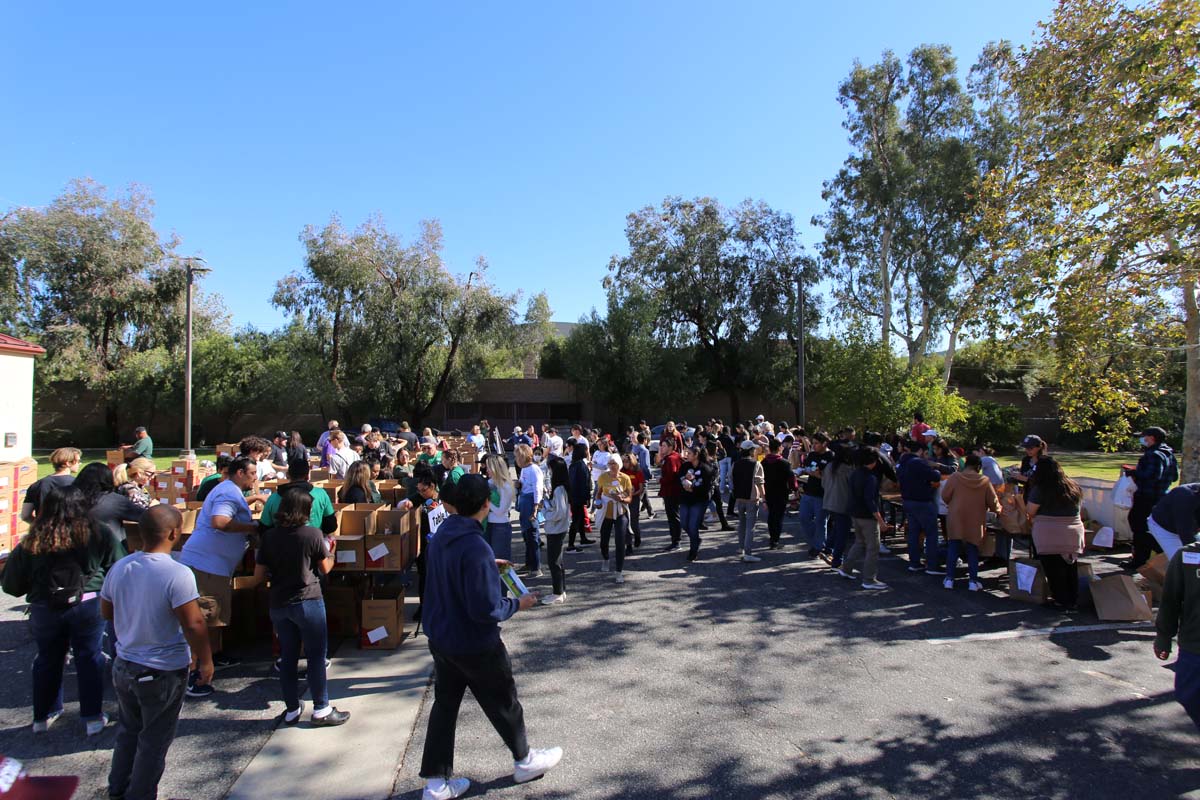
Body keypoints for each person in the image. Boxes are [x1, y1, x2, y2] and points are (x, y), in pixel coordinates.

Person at [417, 475, 561, 800]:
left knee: (445, 707)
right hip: (475, 644)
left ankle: (436, 783)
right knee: (505, 702)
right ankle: (524, 759)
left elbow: (453, 570)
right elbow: (486, 608)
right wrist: (517, 603)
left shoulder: (443, 534)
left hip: (442, 638)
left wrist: (488, 565)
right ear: (486, 504)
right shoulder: (475, 545)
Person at [101, 504, 213, 800]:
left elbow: (106, 610)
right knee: (154, 740)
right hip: (162, 668)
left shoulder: (121, 566)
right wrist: (206, 659)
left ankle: (118, 788)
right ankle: (140, 794)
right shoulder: (177, 573)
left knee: (128, 731)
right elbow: (194, 622)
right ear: (175, 533)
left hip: (125, 663)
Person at [2, 485, 120, 735]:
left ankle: (43, 715)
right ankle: (92, 716)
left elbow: (11, 584)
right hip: (88, 603)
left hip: (45, 606)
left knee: (47, 658)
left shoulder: (33, 540)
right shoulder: (99, 533)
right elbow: (119, 567)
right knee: (90, 657)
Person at [252, 490, 350, 727]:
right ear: (305, 511)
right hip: (308, 600)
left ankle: (291, 708)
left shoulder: (270, 537)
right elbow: (325, 568)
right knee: (316, 655)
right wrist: (333, 552)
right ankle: (321, 708)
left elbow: (258, 575)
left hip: (279, 602)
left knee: (288, 656)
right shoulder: (312, 535)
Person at [178, 456, 260, 695]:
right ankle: (194, 675)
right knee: (203, 616)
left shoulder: (229, 491)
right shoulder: (227, 493)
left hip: (214, 566)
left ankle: (214, 655)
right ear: (240, 473)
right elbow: (220, 521)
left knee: (213, 616)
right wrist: (251, 528)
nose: (256, 478)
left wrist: (253, 499)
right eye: (252, 473)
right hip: (207, 566)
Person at [1025, 458, 1085, 611]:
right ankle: (1073, 599)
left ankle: (1061, 600)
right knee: (1070, 566)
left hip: (1048, 532)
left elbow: (1031, 511)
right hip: (1073, 531)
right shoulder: (1073, 486)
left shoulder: (1041, 489)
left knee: (1053, 569)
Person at [1154, 538, 1200, 731]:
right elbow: (1170, 600)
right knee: (1188, 695)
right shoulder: (1187, 556)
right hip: (1194, 646)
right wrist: (1164, 636)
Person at [941, 454, 1002, 591]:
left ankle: (949, 579)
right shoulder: (985, 481)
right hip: (975, 519)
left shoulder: (955, 477)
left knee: (953, 547)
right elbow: (993, 503)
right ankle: (973, 581)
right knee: (973, 549)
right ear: (979, 467)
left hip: (956, 517)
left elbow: (945, 495)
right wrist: (1000, 510)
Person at [1125, 426, 1179, 572]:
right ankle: (1149, 557)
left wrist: (1134, 473)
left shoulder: (1153, 455)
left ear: (1152, 438)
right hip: (1162, 496)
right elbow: (1174, 476)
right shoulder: (1169, 454)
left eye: (1144, 437)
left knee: (1139, 526)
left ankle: (1141, 559)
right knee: (1151, 526)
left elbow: (1152, 476)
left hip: (1147, 496)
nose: (1143, 440)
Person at [838, 446, 888, 590]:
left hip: (855, 513)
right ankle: (869, 579)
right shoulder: (871, 477)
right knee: (873, 548)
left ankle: (846, 568)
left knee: (859, 542)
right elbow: (870, 501)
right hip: (868, 517)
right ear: (873, 461)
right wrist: (881, 521)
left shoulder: (854, 473)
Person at [897, 440, 943, 574]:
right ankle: (932, 565)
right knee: (931, 534)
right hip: (922, 501)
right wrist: (935, 468)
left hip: (908, 500)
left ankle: (914, 562)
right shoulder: (918, 462)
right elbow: (935, 476)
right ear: (921, 451)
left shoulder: (903, 462)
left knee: (914, 533)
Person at [259, 458, 338, 534]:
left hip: (281, 545)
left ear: (287, 475)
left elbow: (264, 528)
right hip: (312, 544)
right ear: (307, 476)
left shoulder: (273, 497)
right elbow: (331, 526)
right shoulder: (321, 494)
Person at [594, 456, 632, 583]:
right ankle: (606, 559)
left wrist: (621, 499)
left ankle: (619, 571)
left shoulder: (625, 478)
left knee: (620, 542)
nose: (612, 465)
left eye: (614, 463)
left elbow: (629, 498)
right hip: (606, 514)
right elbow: (598, 493)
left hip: (621, 513)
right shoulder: (603, 477)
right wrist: (598, 503)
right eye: (610, 463)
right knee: (604, 541)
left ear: (619, 464)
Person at [21, 447, 81, 521]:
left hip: (43, 530)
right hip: (69, 530)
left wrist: (40, 526)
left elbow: (25, 515)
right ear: (68, 463)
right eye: (78, 461)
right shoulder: (78, 484)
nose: (79, 463)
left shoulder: (36, 485)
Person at [798, 433, 833, 558]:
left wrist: (819, 475)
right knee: (803, 518)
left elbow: (831, 477)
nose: (814, 446)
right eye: (813, 443)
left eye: (816, 443)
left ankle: (818, 547)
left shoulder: (831, 456)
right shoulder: (812, 454)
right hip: (809, 492)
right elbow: (806, 467)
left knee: (820, 521)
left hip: (822, 494)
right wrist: (804, 471)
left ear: (824, 443)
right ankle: (818, 542)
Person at [731, 440, 766, 563]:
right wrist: (764, 499)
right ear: (751, 450)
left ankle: (741, 547)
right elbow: (760, 483)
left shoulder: (735, 464)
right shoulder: (756, 464)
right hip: (752, 498)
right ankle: (748, 552)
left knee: (742, 523)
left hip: (739, 497)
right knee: (750, 526)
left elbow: (731, 480)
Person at [678, 447, 714, 562]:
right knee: (684, 524)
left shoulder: (705, 468)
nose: (687, 455)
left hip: (699, 500)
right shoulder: (685, 466)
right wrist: (684, 482)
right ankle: (696, 539)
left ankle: (693, 551)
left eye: (689, 453)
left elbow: (706, 488)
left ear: (696, 455)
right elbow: (679, 477)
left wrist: (692, 488)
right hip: (685, 499)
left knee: (693, 526)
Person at [541, 459, 570, 604]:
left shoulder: (559, 489)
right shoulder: (560, 488)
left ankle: (557, 592)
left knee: (554, 562)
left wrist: (546, 513)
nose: (549, 472)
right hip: (558, 528)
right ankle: (561, 590)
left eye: (551, 469)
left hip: (556, 529)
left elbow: (560, 513)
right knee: (558, 561)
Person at [1147, 483, 1200, 562]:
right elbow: (1185, 532)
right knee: (1181, 561)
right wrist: (1195, 554)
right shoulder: (1184, 496)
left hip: (1188, 526)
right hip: (1164, 528)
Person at [822, 444, 854, 568]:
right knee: (843, 533)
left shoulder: (829, 466)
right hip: (843, 504)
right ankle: (837, 559)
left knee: (837, 528)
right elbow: (853, 487)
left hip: (829, 502)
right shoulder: (847, 469)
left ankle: (827, 548)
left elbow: (823, 484)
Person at [514, 445, 543, 578]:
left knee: (532, 535)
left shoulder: (534, 469)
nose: (516, 459)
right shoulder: (525, 469)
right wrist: (518, 484)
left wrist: (535, 508)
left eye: (517, 456)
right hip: (524, 501)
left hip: (530, 503)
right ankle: (529, 563)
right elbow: (524, 484)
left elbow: (538, 489)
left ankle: (536, 567)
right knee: (526, 535)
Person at [761, 439, 796, 549]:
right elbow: (791, 479)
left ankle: (772, 538)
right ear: (779, 448)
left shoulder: (763, 462)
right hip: (781, 493)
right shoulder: (785, 463)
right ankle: (775, 540)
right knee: (779, 517)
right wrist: (794, 489)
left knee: (771, 515)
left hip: (768, 492)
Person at [483, 455, 516, 561]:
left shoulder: (505, 486)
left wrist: (486, 502)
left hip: (500, 527)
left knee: (501, 562)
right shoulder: (490, 483)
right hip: (488, 524)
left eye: (488, 467)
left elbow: (500, 511)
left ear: (495, 468)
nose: (486, 470)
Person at [658, 439, 685, 552]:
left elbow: (672, 475)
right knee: (674, 516)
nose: (661, 448)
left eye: (664, 446)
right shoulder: (674, 456)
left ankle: (676, 542)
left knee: (673, 517)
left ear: (670, 447)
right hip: (673, 491)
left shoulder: (671, 459)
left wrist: (661, 480)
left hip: (671, 492)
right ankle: (675, 540)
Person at [567, 442, 593, 552]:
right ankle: (570, 545)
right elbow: (584, 484)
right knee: (576, 520)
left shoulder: (575, 464)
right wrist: (587, 497)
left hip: (574, 496)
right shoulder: (580, 465)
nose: (588, 452)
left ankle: (583, 538)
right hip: (578, 496)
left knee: (581, 517)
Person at [620, 453, 645, 551]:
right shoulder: (621, 471)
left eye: (627, 461)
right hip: (624, 499)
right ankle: (628, 545)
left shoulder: (637, 471)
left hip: (634, 499)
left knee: (634, 521)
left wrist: (633, 493)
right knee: (625, 521)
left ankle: (637, 536)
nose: (625, 464)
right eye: (623, 462)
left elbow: (641, 488)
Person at [631, 433, 655, 518]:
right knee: (639, 495)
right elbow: (645, 466)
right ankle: (634, 513)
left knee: (644, 496)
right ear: (645, 440)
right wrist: (650, 475)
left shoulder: (634, 449)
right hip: (643, 476)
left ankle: (651, 512)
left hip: (635, 474)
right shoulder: (645, 451)